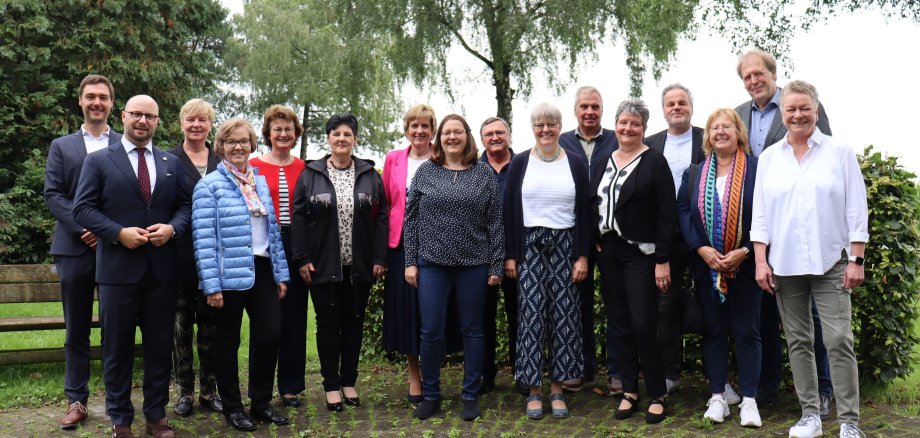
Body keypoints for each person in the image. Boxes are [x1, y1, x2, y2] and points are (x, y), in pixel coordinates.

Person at [751, 80, 868, 438]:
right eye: (791, 109)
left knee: (838, 341)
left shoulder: (840, 152)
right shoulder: (770, 158)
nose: (798, 114)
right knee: (798, 342)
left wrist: (857, 259)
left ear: (816, 112)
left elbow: (856, 208)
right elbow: (760, 215)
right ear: (782, 114)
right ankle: (810, 416)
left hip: (831, 262)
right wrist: (760, 261)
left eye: (805, 108)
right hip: (785, 267)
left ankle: (849, 422)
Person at [73, 95, 191, 438]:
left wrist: (172, 228)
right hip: (117, 273)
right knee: (116, 349)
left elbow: (185, 207)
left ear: (157, 121)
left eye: (150, 116)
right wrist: (117, 233)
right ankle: (120, 419)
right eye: (136, 114)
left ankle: (156, 415)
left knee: (158, 347)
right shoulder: (98, 161)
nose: (142, 121)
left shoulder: (171, 162)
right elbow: (82, 209)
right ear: (124, 116)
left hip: (161, 274)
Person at [735, 48, 834, 414]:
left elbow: (826, 159)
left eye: (759, 74)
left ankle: (823, 389)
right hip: (762, 227)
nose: (753, 81)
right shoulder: (740, 115)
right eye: (747, 77)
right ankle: (770, 386)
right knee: (765, 312)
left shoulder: (799, 105)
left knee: (814, 316)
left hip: (803, 226)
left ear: (772, 74)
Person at [192, 118, 290, 432]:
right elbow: (203, 239)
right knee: (227, 343)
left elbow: (273, 232)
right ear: (221, 146)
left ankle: (260, 404)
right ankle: (233, 408)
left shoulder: (258, 182)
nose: (238, 147)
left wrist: (280, 274)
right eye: (231, 142)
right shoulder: (208, 185)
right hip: (227, 275)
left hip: (262, 270)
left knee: (270, 335)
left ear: (251, 146)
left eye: (244, 142)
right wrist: (211, 285)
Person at [404, 114, 504, 421]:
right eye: (447, 132)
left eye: (457, 131)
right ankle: (431, 396)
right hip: (432, 264)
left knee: (473, 331)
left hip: (474, 264)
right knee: (431, 330)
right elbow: (410, 220)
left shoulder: (484, 173)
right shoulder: (425, 172)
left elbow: (496, 221)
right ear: (440, 138)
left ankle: (470, 394)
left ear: (467, 136)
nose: (451, 137)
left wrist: (496, 264)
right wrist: (410, 262)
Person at [291, 113, 387, 411]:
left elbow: (381, 217)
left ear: (355, 139)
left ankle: (349, 382)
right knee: (328, 324)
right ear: (328, 139)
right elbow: (299, 218)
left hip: (359, 264)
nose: (342, 139)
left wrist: (379, 257)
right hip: (322, 263)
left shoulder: (370, 174)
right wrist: (303, 258)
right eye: (336, 134)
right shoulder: (311, 174)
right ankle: (331, 385)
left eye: (347, 134)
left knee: (354, 323)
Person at [504, 103, 591, 419]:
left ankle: (557, 389)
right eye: (539, 124)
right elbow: (509, 210)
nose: (545, 130)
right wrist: (511, 255)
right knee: (530, 315)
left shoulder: (577, 164)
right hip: (529, 244)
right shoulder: (520, 162)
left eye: (551, 124)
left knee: (564, 317)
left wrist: (582, 256)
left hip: (566, 244)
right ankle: (534, 391)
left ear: (559, 125)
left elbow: (585, 210)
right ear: (532, 128)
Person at [44, 74, 121, 430]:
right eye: (90, 96)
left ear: (111, 103)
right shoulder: (62, 146)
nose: (97, 102)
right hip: (74, 249)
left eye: (103, 97)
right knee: (76, 328)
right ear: (80, 101)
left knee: (114, 327)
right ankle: (77, 400)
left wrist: (107, 231)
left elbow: (132, 195)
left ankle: (117, 402)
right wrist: (83, 228)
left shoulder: (123, 144)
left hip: (115, 250)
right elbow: (54, 195)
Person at [677, 108, 762, 428]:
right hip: (708, 267)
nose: (720, 132)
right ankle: (717, 397)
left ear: (739, 132)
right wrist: (701, 249)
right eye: (715, 128)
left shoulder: (757, 169)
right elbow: (683, 211)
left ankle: (750, 401)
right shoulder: (695, 173)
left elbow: (768, 213)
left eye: (727, 126)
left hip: (746, 264)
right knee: (713, 332)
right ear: (708, 137)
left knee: (747, 332)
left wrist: (745, 249)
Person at [591, 98, 674, 424]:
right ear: (616, 124)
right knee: (620, 324)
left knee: (643, 323)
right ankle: (629, 390)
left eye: (635, 124)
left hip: (641, 253)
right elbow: (590, 202)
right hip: (608, 252)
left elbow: (667, 215)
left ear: (644, 128)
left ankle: (657, 393)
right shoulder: (603, 160)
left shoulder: (654, 161)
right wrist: (592, 241)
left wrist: (662, 259)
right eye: (623, 123)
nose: (628, 129)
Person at [382, 104, 463, 403]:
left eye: (425, 126)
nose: (419, 131)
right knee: (407, 311)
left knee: (435, 311)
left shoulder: (443, 158)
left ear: (434, 130)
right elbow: (389, 202)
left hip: (440, 243)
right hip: (402, 244)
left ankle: (435, 374)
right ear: (406, 129)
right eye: (413, 125)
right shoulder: (393, 159)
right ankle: (414, 375)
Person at [644, 83, 711, 397]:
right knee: (665, 305)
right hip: (664, 237)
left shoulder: (706, 138)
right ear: (663, 109)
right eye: (670, 103)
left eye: (682, 102)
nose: (676, 108)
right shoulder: (651, 143)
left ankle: (718, 379)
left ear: (691, 107)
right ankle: (670, 373)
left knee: (713, 302)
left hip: (702, 233)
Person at [558, 86, 620, 395]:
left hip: (610, 236)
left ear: (602, 109)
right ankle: (581, 370)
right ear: (575, 110)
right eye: (584, 106)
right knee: (576, 304)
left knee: (616, 304)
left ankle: (618, 371)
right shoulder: (561, 142)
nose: (589, 112)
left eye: (595, 106)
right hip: (573, 236)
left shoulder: (616, 138)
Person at [248, 105, 308, 407]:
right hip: (265, 243)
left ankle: (290, 386)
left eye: (288, 129)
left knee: (295, 318)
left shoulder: (305, 167)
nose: (283, 134)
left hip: (297, 243)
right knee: (265, 319)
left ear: (295, 133)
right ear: (268, 134)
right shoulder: (252, 166)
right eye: (277, 129)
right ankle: (259, 389)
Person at [167, 98, 221, 417]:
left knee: (212, 327)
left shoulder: (222, 160)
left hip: (216, 258)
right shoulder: (168, 159)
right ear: (181, 123)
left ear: (210, 125)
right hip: (180, 256)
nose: (196, 125)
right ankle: (184, 391)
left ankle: (209, 389)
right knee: (181, 325)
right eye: (191, 120)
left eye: (202, 120)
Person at [477, 116, 524, 396]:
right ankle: (485, 372)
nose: (495, 137)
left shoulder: (524, 165)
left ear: (509, 135)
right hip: (480, 257)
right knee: (482, 318)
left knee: (519, 315)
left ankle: (521, 370)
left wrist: (514, 253)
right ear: (482, 139)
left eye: (500, 132)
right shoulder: (473, 168)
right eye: (489, 134)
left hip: (518, 255)